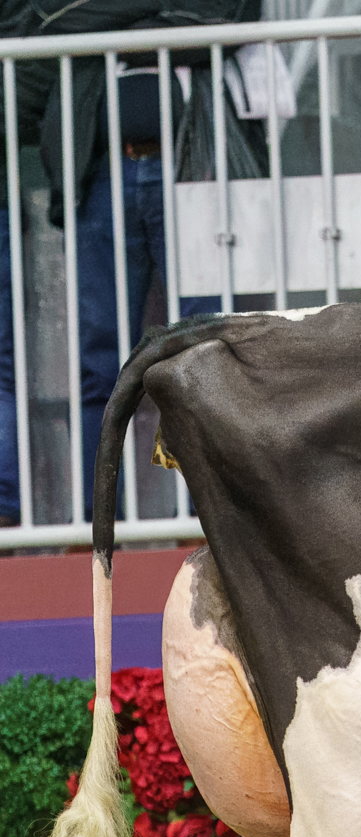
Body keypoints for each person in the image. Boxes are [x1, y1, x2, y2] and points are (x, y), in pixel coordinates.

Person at [0, 0, 247, 527]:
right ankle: (99, 523)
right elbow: (54, 22)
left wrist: (112, 27)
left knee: (205, 354)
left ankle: (207, 518)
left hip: (190, 168)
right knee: (99, 362)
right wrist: (156, 21)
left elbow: (227, 15)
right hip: (105, 176)